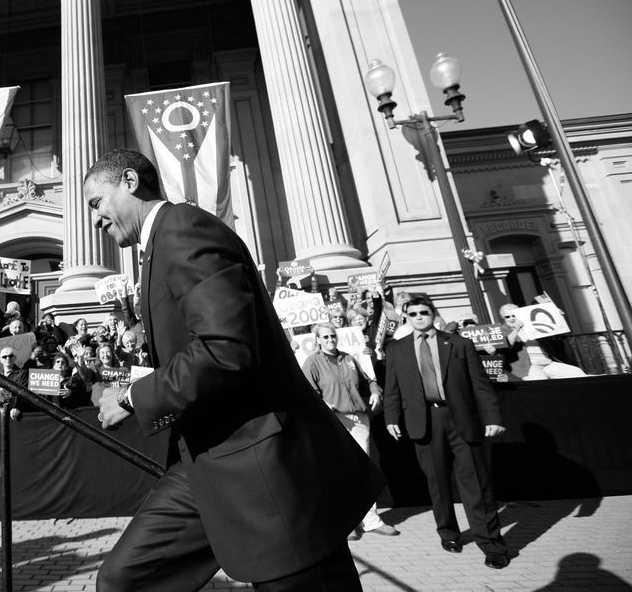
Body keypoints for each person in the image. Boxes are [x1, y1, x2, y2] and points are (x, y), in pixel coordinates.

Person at [85, 149, 383, 590]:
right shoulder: (154, 250)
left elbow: (226, 349)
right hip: (201, 462)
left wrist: (133, 399)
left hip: (260, 465)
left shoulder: (183, 229)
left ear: (130, 182)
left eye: (97, 202)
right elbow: (198, 349)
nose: (95, 220)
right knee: (122, 580)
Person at [383, 293, 509, 569]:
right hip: (424, 421)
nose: (419, 318)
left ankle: (491, 544)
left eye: (423, 313)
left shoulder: (459, 344)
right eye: (413, 313)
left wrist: (493, 417)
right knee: (437, 484)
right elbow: (391, 388)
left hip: (460, 419)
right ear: (406, 317)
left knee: (476, 484)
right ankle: (448, 533)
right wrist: (391, 417)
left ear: (433, 315)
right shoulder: (396, 349)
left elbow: (480, 385)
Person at [301, 323, 398, 540]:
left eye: (332, 336)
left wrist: (374, 391)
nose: (330, 340)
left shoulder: (348, 359)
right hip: (335, 421)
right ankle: (348, 522)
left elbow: (368, 380)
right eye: (325, 337)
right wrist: (323, 404)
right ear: (317, 339)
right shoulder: (313, 362)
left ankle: (371, 520)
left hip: (359, 418)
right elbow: (307, 391)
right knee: (340, 469)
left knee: (364, 468)